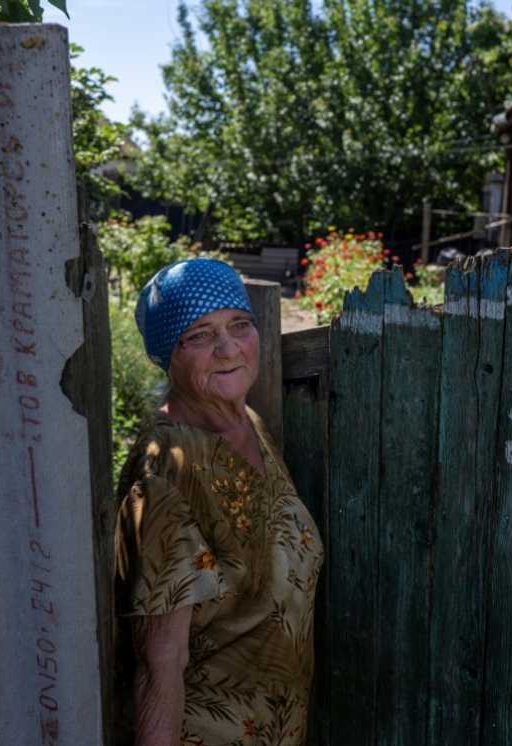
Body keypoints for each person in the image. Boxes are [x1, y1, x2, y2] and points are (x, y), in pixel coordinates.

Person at [115, 258, 324, 746]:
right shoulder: (166, 470)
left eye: (239, 325)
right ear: (169, 353)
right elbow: (157, 666)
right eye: (200, 335)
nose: (228, 348)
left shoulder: (245, 422)